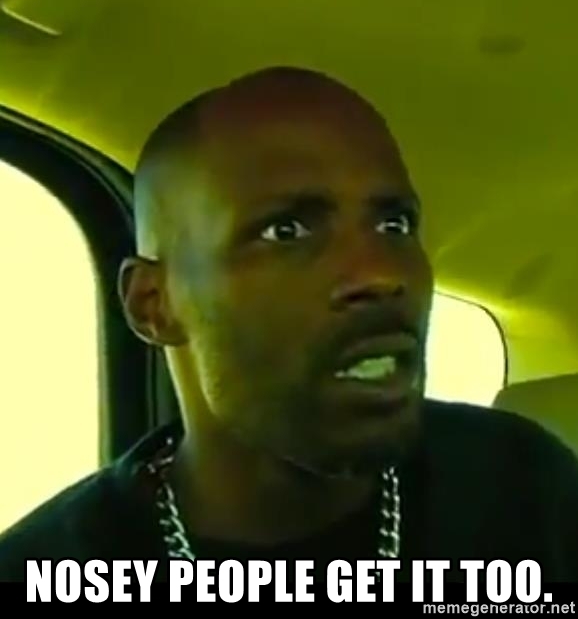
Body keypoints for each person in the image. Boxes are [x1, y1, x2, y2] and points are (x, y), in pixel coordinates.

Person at [0, 66, 576, 591]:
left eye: (394, 224)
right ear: (154, 304)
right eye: (286, 231)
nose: (380, 274)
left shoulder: (523, 488)